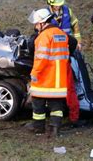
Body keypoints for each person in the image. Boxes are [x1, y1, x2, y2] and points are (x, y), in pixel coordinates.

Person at [26, 8, 70, 137]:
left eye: (36, 23)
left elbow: (41, 58)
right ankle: (55, 128)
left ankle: (38, 128)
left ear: (42, 23)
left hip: (45, 78)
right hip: (59, 78)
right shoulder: (61, 34)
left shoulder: (43, 36)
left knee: (38, 105)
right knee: (57, 106)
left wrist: (34, 73)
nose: (35, 26)